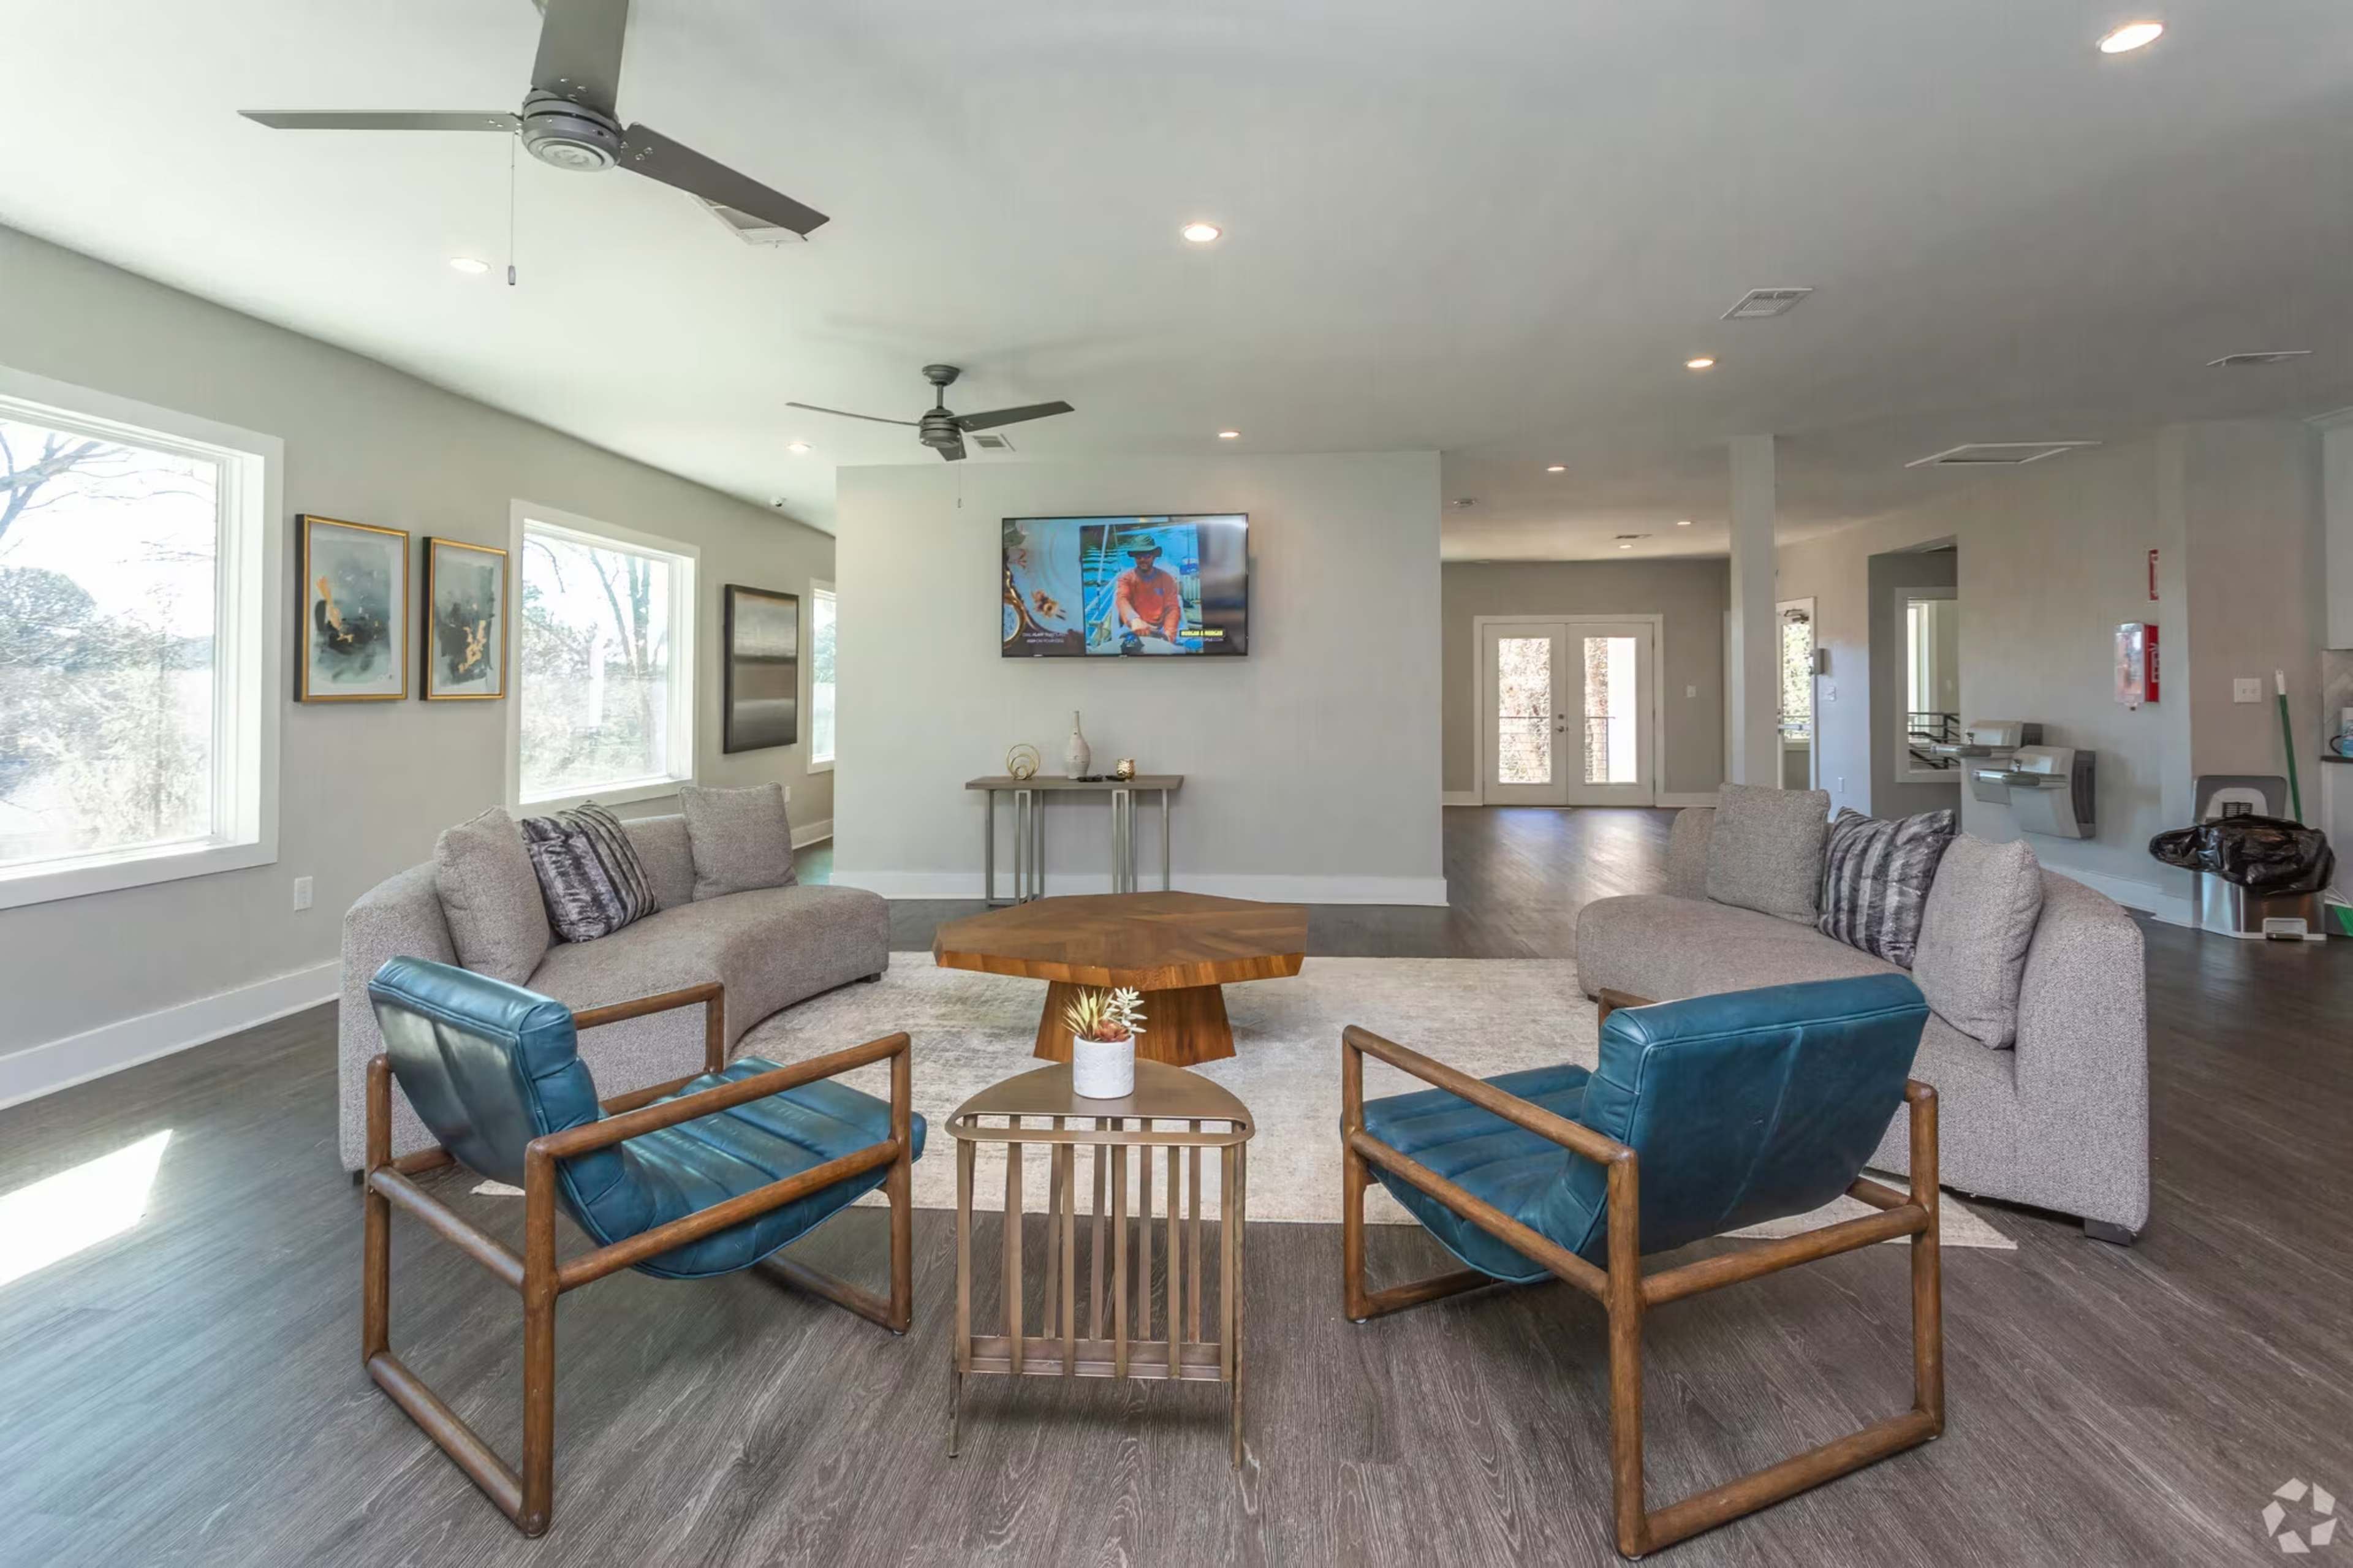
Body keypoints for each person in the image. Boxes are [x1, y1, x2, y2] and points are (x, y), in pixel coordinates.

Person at [1112, 534, 1186, 651]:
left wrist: (1169, 635)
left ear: (1154, 556)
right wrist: (1134, 619)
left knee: (1184, 647)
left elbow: (1172, 608)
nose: (1142, 560)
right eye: (1138, 556)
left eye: (1147, 555)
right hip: (1133, 627)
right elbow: (1122, 599)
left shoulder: (1167, 579)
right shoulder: (1126, 579)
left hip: (1162, 628)